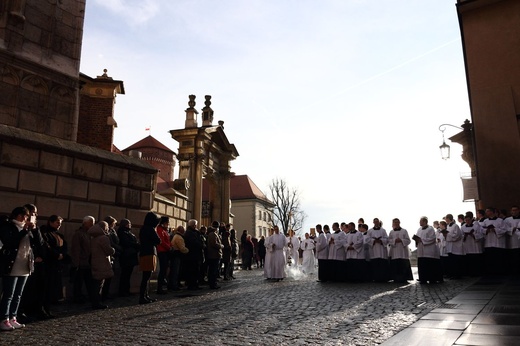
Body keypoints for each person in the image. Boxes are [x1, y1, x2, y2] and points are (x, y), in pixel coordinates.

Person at [0, 207, 35, 331]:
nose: (25, 218)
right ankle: (4, 319)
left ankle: (13, 317)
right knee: (8, 294)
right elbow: (10, 242)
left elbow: (37, 243)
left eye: (27, 216)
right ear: (17, 215)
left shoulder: (28, 228)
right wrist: (24, 231)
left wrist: (34, 230)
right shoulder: (8, 226)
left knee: (18, 294)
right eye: (24, 216)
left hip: (25, 264)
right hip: (12, 264)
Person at [19, 204, 46, 321]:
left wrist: (34, 229)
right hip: (21, 261)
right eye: (33, 212)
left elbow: (40, 243)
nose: (35, 215)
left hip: (34, 261)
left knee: (36, 287)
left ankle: (34, 309)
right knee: (21, 290)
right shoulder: (20, 225)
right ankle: (20, 312)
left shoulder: (35, 227)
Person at [41, 213, 68, 304]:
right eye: (57, 223)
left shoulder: (59, 234)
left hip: (58, 263)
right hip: (49, 262)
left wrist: (62, 255)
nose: (59, 225)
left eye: (60, 223)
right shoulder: (45, 232)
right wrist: (56, 255)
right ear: (51, 222)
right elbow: (46, 246)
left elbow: (64, 246)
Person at [88, 221, 115, 309]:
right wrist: (113, 250)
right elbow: (108, 250)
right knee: (99, 284)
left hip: (95, 261)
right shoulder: (103, 238)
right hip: (102, 262)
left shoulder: (94, 237)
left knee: (96, 283)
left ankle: (95, 301)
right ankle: (97, 302)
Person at [70, 216, 95, 304]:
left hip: (88, 262)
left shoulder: (90, 234)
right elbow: (76, 250)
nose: (92, 224)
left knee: (89, 282)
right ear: (85, 223)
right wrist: (76, 264)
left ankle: (90, 297)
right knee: (78, 282)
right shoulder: (79, 234)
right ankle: (77, 298)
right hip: (81, 262)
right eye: (91, 223)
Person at [138, 212, 161, 304]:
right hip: (149, 253)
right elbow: (158, 240)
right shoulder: (150, 229)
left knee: (146, 276)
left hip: (145, 253)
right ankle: (143, 296)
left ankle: (145, 295)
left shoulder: (143, 228)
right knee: (146, 277)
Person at [413, 217, 442, 284]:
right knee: (422, 266)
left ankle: (431, 279)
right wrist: (416, 240)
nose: (419, 222)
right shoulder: (419, 229)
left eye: (421, 221)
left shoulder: (430, 229)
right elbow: (417, 238)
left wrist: (422, 240)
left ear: (425, 222)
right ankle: (423, 279)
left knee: (430, 266)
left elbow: (432, 238)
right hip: (421, 250)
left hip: (428, 251)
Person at [481, 207, 507, 275]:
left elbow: (504, 230)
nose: (486, 213)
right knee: (490, 259)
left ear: (492, 212)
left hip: (497, 242)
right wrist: (486, 230)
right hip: (488, 242)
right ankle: (491, 272)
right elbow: (481, 229)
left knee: (498, 259)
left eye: (487, 211)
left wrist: (495, 229)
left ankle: (499, 272)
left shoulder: (500, 220)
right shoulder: (485, 221)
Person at [117, 219, 139, 297]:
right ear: (125, 224)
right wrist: (136, 245)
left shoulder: (127, 232)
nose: (130, 225)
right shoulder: (122, 232)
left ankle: (126, 290)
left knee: (128, 274)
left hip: (130, 256)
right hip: (127, 256)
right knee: (125, 274)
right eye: (129, 223)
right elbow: (126, 243)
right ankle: (123, 291)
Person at [387, 218, 413, 283]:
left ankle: (404, 278)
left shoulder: (404, 231)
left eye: (397, 222)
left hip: (403, 251)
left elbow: (408, 240)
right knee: (395, 265)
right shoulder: (391, 232)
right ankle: (395, 278)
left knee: (403, 265)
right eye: (394, 222)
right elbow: (389, 240)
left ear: (399, 223)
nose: (396, 224)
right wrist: (394, 241)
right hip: (394, 251)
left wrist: (401, 240)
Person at [102, 216, 121, 300]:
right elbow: (111, 243)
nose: (114, 225)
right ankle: (104, 294)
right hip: (110, 254)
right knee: (106, 276)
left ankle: (107, 292)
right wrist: (118, 249)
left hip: (114, 254)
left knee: (110, 275)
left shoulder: (113, 231)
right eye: (113, 223)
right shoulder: (107, 232)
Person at [366, 218, 390, 282]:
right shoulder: (370, 231)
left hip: (382, 251)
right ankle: (375, 278)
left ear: (379, 222)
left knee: (382, 265)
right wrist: (374, 240)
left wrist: (380, 240)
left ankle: (383, 278)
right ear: (373, 222)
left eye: (377, 222)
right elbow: (367, 239)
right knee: (375, 265)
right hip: (374, 251)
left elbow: (387, 239)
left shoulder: (383, 230)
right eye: (375, 222)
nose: (376, 223)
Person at [461, 212, 484, 277]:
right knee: (469, 260)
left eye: (468, 220)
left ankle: (477, 273)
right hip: (467, 246)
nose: (467, 221)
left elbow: (481, 235)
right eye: (466, 220)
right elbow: (460, 236)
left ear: (471, 220)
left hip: (475, 246)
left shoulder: (476, 226)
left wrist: (473, 235)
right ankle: (469, 273)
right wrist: (465, 235)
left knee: (476, 260)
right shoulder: (462, 227)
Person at [184, 219, 204, 290]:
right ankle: (191, 285)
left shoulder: (195, 232)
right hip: (192, 255)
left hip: (196, 255)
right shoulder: (189, 233)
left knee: (196, 270)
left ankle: (195, 284)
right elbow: (194, 243)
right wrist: (201, 245)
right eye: (195, 225)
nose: (196, 226)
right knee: (192, 270)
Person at [445, 214, 464, 279]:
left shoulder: (455, 226)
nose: (445, 220)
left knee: (456, 261)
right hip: (449, 246)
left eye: (446, 218)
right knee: (451, 261)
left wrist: (448, 235)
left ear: (448, 218)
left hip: (455, 246)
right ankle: (452, 274)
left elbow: (457, 235)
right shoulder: (447, 226)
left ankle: (457, 275)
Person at [169, 225, 189, 291]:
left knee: (174, 271)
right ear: (181, 231)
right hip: (177, 255)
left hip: (175, 255)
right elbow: (182, 248)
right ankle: (174, 285)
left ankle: (173, 284)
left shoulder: (176, 236)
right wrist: (188, 250)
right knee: (175, 271)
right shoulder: (179, 237)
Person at [155, 216, 171, 294]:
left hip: (165, 251)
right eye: (167, 222)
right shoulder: (159, 229)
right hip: (162, 251)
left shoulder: (164, 230)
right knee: (162, 270)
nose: (168, 224)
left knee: (165, 269)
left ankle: (162, 286)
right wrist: (169, 247)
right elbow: (162, 241)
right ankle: (159, 287)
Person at [504, 205, 520, 276]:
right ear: (511, 211)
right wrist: (511, 229)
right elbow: (505, 229)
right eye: (513, 210)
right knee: (513, 257)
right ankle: (513, 272)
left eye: (516, 210)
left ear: (518, 211)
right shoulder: (507, 220)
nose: (514, 211)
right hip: (512, 241)